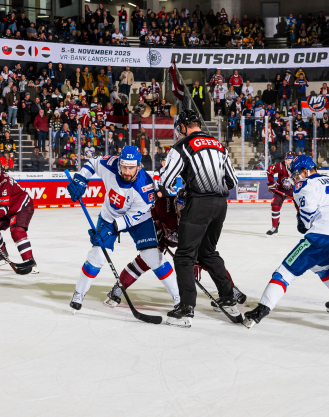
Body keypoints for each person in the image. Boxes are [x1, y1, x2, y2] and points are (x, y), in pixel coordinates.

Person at [244, 155, 329, 328]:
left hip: (324, 236)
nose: (296, 179)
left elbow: (307, 222)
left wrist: (302, 221)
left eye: (297, 175)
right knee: (318, 264)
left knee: (285, 271)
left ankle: (261, 310)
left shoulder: (303, 184)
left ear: (305, 171)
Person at [65, 145, 181, 312]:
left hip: (139, 220)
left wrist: (107, 230)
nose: (127, 172)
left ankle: (178, 298)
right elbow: (93, 163)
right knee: (97, 255)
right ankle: (78, 294)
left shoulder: (145, 187)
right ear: (119, 163)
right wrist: (81, 178)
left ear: (139, 166)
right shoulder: (110, 164)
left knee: (153, 257)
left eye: (131, 168)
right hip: (109, 215)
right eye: (124, 167)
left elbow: (130, 219)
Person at [157, 109, 238, 327]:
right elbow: (233, 181)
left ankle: (186, 308)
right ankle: (228, 297)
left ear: (183, 127)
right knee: (207, 252)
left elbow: (165, 181)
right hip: (221, 206)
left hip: (198, 205)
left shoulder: (181, 147)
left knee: (184, 255)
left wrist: (171, 190)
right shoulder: (219, 146)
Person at [106, 183, 247, 307]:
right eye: (180, 206)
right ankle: (118, 288)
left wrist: (196, 261)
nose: (182, 211)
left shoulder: (201, 214)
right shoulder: (163, 205)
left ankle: (230, 290)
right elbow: (145, 217)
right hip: (163, 238)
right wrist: (153, 230)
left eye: (186, 208)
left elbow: (204, 243)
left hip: (190, 241)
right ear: (175, 203)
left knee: (206, 259)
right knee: (145, 260)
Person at [265, 151, 298, 236]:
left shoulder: (299, 167)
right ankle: (274, 227)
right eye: (287, 159)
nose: (289, 162)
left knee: (301, 207)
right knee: (275, 205)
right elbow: (269, 171)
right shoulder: (280, 166)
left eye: (291, 160)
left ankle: (305, 225)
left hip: (294, 189)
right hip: (281, 189)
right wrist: (271, 184)